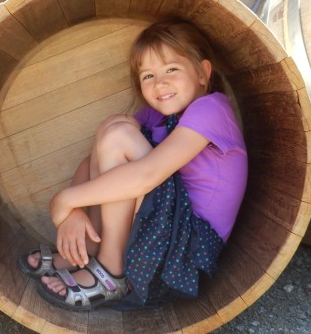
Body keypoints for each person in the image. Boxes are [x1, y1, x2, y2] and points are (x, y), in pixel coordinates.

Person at [17, 19, 248, 311]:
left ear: (203, 73)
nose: (159, 83)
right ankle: (90, 246)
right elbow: (97, 160)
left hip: (186, 253)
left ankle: (111, 271)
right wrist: (75, 213)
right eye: (148, 75)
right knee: (114, 126)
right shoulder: (156, 118)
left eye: (171, 70)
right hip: (162, 233)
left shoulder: (212, 108)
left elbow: (146, 175)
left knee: (118, 136)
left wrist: (65, 199)